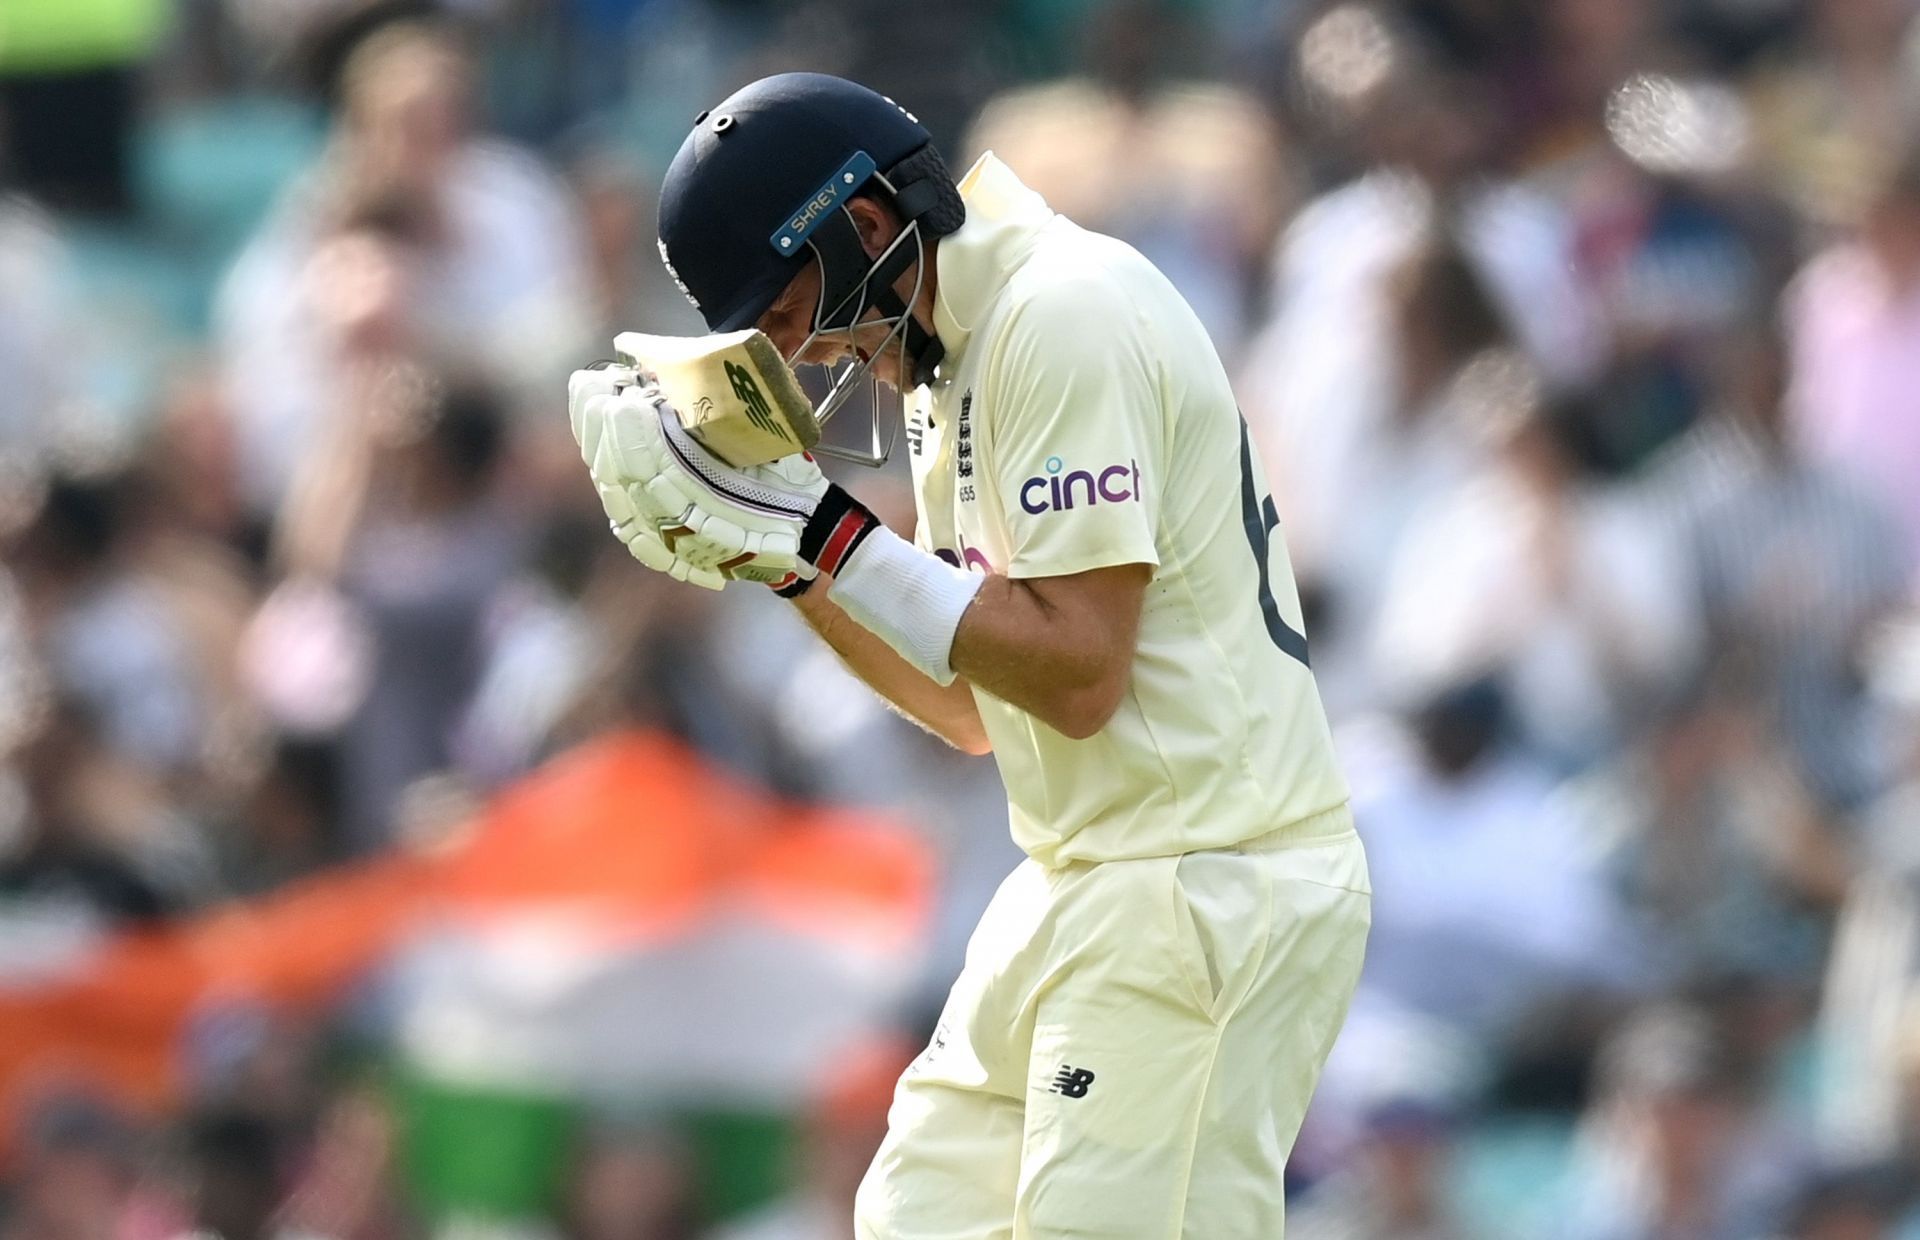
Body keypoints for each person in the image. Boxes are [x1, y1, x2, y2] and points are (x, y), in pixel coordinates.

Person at [567, 72, 1371, 1238]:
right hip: (1086, 877)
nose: (807, 355)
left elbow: (1081, 675)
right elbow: (972, 707)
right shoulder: (955, 354)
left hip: (1205, 879)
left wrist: (821, 527)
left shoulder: (1063, 311)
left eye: (792, 314)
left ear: (866, 226)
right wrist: (783, 562)